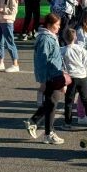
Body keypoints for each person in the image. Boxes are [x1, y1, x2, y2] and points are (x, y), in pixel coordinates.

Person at [25, 12, 66, 145]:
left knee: (50, 103)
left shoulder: (51, 36)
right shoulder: (45, 39)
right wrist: (42, 81)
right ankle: (49, 134)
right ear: (49, 25)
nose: (59, 27)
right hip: (50, 77)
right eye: (57, 25)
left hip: (55, 75)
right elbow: (41, 62)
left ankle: (33, 122)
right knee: (52, 103)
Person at [61, 27, 87, 129]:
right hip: (82, 76)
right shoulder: (80, 49)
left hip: (71, 77)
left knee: (69, 101)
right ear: (75, 37)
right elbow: (86, 63)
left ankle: (68, 123)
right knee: (86, 100)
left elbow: (62, 66)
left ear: (64, 38)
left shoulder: (62, 50)